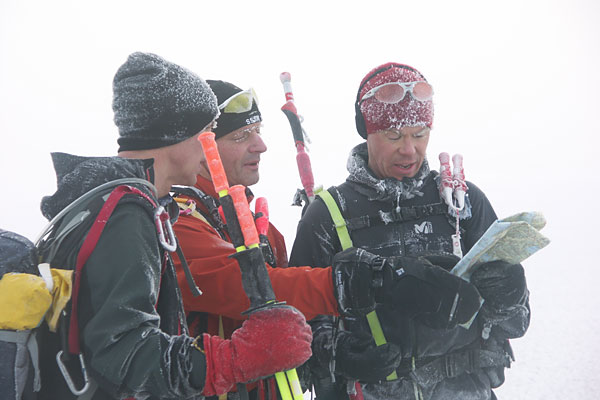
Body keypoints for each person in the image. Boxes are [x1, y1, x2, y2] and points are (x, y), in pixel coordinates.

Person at [170, 80, 479, 399]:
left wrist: (334, 351)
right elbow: (236, 285)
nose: (261, 145)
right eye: (241, 136)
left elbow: (297, 316)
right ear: (199, 146)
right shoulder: (179, 223)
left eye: (258, 130)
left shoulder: (265, 232)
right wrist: (360, 286)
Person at [36, 52, 313, 400]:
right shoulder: (125, 213)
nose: (209, 144)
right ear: (174, 135)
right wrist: (234, 360)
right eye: (207, 131)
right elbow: (124, 353)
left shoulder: (102, 204)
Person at [288, 63, 531, 400]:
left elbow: (516, 323)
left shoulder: (461, 202)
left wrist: (510, 297)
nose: (409, 149)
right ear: (366, 131)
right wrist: (339, 353)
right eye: (394, 136)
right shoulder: (328, 215)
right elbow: (295, 324)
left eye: (419, 134)